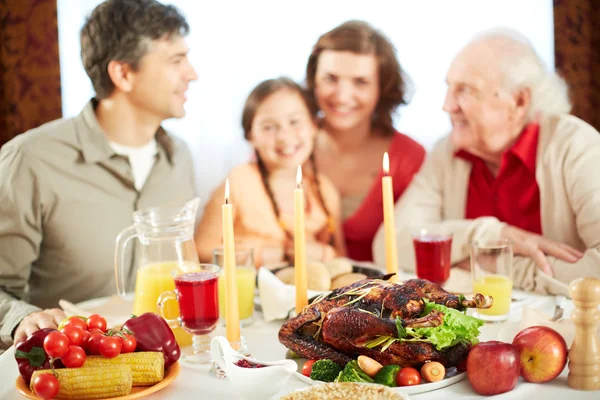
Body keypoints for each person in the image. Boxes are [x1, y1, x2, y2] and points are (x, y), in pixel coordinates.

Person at [0, 0, 198, 348]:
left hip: (169, 363)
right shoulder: (29, 160)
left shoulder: (178, 157)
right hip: (75, 365)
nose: (192, 73)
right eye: (176, 61)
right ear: (122, 73)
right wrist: (21, 317)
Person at [373, 27, 600, 295]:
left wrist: (494, 268)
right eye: (449, 88)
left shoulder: (576, 146)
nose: (447, 105)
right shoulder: (448, 153)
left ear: (518, 100)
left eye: (465, 91)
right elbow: (388, 245)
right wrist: (488, 235)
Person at [306, 20, 426, 262]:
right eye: (331, 78)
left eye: (360, 82)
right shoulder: (284, 145)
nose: (342, 96)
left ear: (382, 88)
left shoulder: (408, 157)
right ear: (313, 80)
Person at [195, 77, 346, 267]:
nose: (284, 136)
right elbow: (202, 250)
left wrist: (325, 253)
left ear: (314, 126)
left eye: (294, 121)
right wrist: (277, 254)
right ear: (251, 136)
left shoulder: (323, 189)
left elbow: (340, 257)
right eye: (269, 127)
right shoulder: (240, 182)